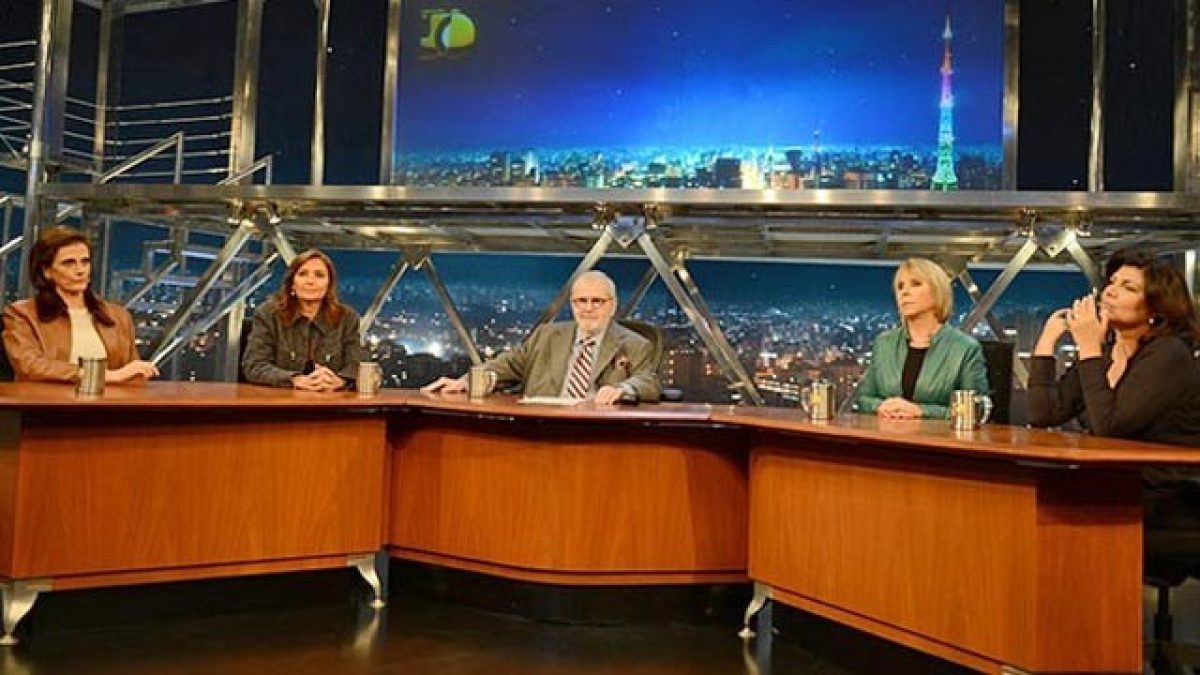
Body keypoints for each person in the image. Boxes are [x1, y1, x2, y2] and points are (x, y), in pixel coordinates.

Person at [1028, 248, 1200, 446]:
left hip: (1164, 465)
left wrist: (1089, 347)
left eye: (1129, 288)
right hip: (1109, 461)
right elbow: (1043, 414)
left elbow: (1109, 427)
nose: (1110, 291)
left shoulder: (1169, 352)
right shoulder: (1106, 350)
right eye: (1112, 282)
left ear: (1155, 308)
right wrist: (1047, 341)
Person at [422, 270, 661, 404]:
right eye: (581, 301)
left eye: (597, 301)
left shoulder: (635, 344)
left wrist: (623, 389)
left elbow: (649, 382)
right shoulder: (546, 335)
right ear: (572, 304)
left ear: (612, 305)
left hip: (598, 431)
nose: (588, 308)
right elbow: (507, 364)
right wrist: (467, 381)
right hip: (540, 426)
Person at [2, 226, 158, 383]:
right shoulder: (22, 314)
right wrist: (104, 376)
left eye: (85, 262)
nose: (80, 270)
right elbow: (30, 366)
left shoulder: (118, 316)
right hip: (45, 399)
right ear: (46, 271)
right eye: (68, 263)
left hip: (111, 399)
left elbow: (133, 375)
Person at [854, 257, 988, 419]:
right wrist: (881, 406)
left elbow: (975, 410)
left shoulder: (965, 348)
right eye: (900, 286)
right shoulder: (884, 343)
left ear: (937, 292)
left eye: (916, 284)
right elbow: (864, 398)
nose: (904, 292)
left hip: (939, 435)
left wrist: (921, 411)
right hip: (886, 432)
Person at [242, 249, 363, 391]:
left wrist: (339, 381)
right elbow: (254, 365)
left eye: (319, 275)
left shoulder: (347, 318)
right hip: (280, 399)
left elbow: (357, 365)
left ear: (329, 285)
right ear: (292, 283)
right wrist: (295, 380)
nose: (310, 281)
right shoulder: (268, 314)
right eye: (302, 274)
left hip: (330, 399)